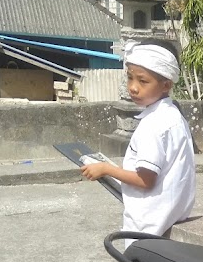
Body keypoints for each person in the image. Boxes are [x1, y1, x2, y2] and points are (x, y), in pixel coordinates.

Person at [81, 40, 196, 238]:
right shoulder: (172, 115)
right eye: (130, 78)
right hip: (169, 216)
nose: (133, 87)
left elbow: (146, 180)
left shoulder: (153, 124)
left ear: (166, 85)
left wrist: (106, 169)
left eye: (143, 81)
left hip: (148, 225)